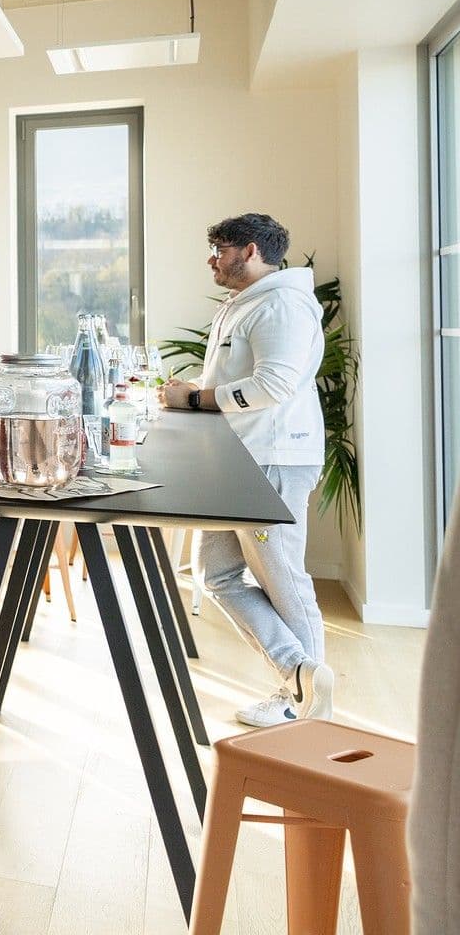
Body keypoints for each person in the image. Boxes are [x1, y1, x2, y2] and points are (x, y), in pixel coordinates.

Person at [163, 212, 334, 726]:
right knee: (218, 574)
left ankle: (304, 705)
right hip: (242, 462)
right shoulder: (247, 303)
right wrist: (191, 391)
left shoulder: (282, 304)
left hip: (271, 461)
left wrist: (196, 398)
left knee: (284, 580)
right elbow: (238, 377)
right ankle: (300, 675)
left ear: (253, 251)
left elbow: (274, 385)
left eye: (220, 248)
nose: (211, 259)